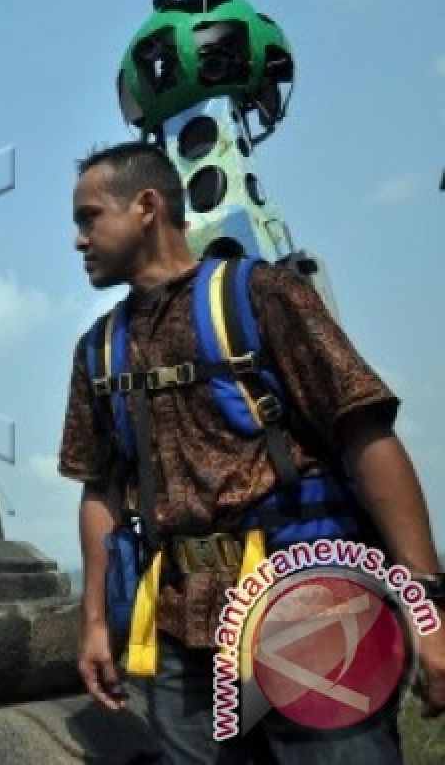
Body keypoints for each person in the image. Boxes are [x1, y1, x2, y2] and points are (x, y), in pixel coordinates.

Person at [58, 141, 445, 763]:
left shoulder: (262, 296)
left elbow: (365, 434)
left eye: (89, 217)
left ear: (148, 206)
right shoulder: (99, 350)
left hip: (312, 612)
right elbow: (100, 489)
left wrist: (426, 605)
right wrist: (98, 623)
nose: (79, 239)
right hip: (181, 630)